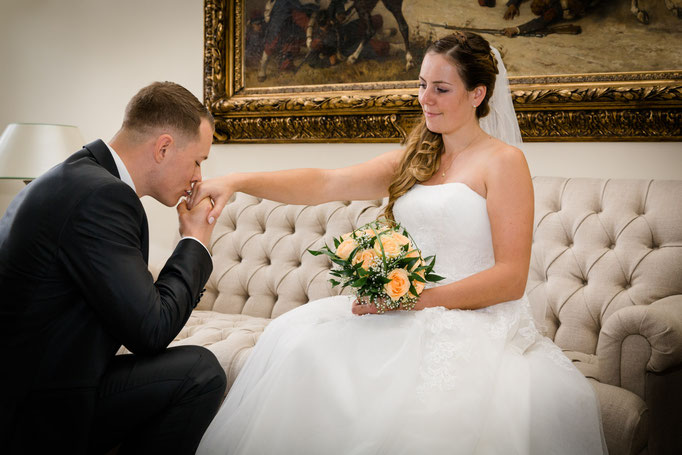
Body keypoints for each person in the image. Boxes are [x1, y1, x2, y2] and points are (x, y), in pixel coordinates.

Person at [192, 33, 607, 454]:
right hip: (401, 307)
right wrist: (237, 180)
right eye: (422, 85)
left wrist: (414, 300)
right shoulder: (415, 157)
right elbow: (326, 182)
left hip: (472, 316)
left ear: (477, 94)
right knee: (297, 343)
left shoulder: (504, 162)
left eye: (441, 89)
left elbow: (511, 278)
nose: (426, 98)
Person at [0, 82, 227, 454]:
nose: (198, 176)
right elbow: (152, 330)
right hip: (36, 409)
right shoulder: (103, 196)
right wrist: (195, 241)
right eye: (199, 160)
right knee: (199, 372)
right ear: (164, 147)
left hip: (29, 382)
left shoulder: (71, 176)